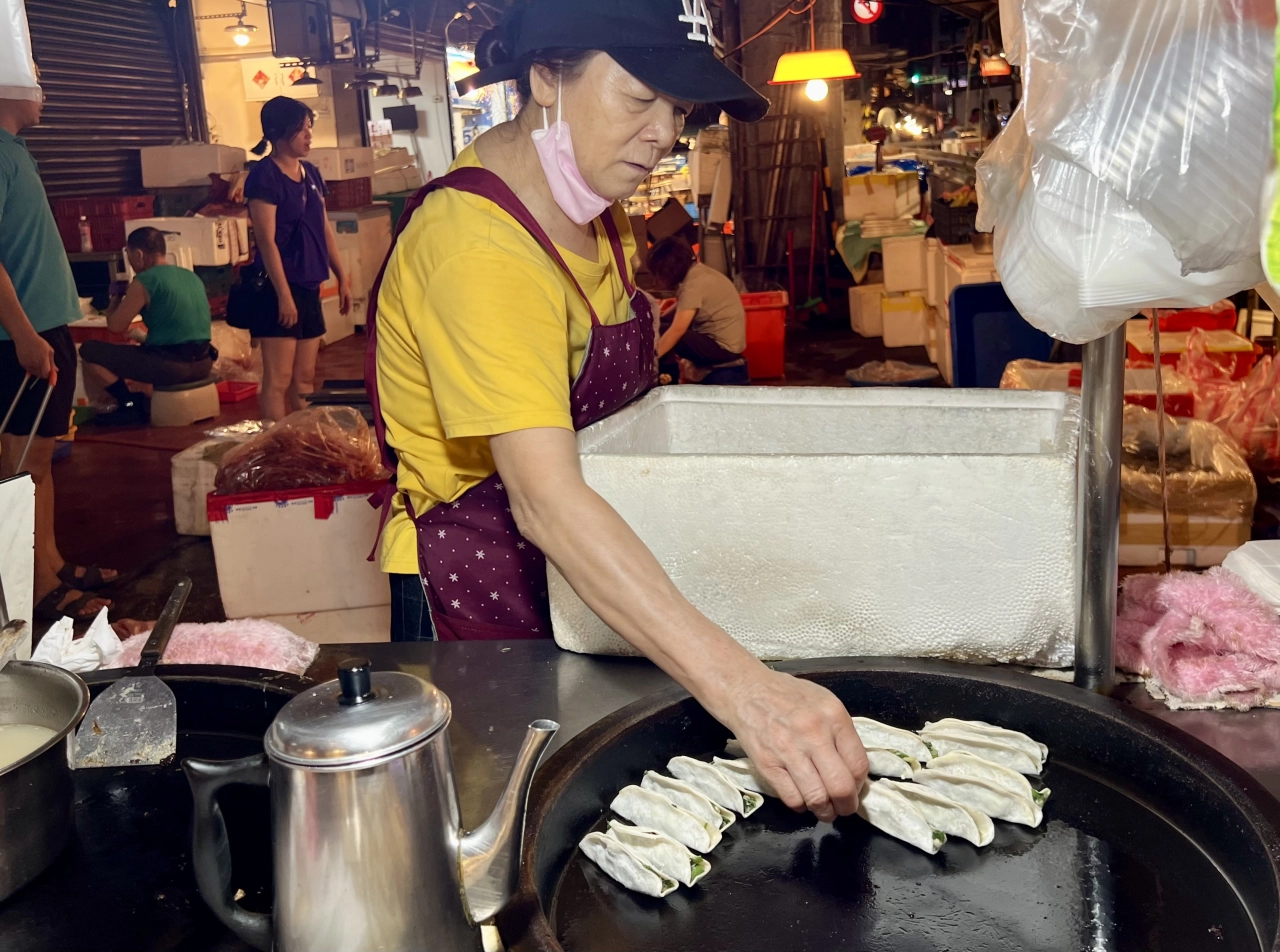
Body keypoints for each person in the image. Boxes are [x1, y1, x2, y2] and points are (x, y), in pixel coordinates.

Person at [371, 0, 869, 824]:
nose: (663, 134)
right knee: (523, 826)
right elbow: (544, 500)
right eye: (641, 98)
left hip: (582, 580)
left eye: (679, 109)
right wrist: (749, 691)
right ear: (544, 78)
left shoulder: (590, 205)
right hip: (488, 587)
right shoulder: (478, 249)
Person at [0, 81, 115, 620]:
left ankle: (51, 562)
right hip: (17, 339)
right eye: (33, 78)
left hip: (46, 331)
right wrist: (24, 333)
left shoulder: (16, 151)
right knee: (20, 467)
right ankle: (37, 587)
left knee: (41, 463)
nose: (43, 91)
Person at [239, 96, 350, 422]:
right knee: (278, 380)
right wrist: (284, 296)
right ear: (281, 132)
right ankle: (274, 450)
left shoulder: (312, 174)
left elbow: (324, 228)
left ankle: (301, 444)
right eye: (302, 130)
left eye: (309, 129)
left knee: (304, 379)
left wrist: (342, 276)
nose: (309, 136)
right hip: (276, 290)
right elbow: (266, 241)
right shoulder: (264, 177)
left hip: (309, 285)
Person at [80, 227, 214, 425]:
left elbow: (116, 326)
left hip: (171, 367)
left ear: (138, 254)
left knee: (89, 350)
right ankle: (135, 401)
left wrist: (116, 296)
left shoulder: (145, 281)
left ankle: (128, 405)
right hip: (205, 362)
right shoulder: (191, 277)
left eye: (128, 254)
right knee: (140, 349)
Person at [648, 238, 748, 385]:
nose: (656, 279)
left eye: (657, 273)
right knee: (661, 325)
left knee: (664, 332)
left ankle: (667, 378)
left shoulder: (692, 285)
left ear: (668, 269)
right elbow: (681, 307)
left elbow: (677, 331)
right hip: (728, 345)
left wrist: (651, 359)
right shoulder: (697, 273)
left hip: (723, 349)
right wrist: (660, 318)